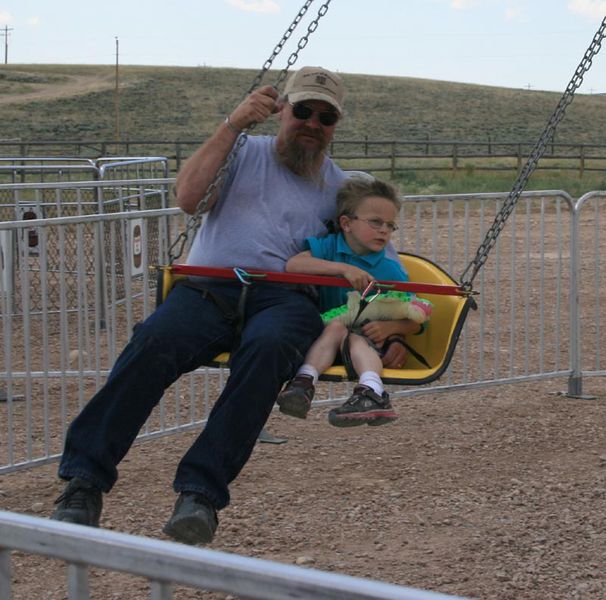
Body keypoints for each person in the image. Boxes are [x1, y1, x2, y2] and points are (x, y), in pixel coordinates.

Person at [50, 66, 408, 546]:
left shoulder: (341, 189)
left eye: (326, 117)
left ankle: (200, 494)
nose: (313, 124)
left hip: (286, 298)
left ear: (335, 126)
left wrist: (393, 327)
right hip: (211, 287)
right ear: (282, 110)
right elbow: (187, 197)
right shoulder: (242, 152)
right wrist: (232, 124)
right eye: (303, 110)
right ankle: (84, 484)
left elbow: (375, 258)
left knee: (269, 352)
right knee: (153, 342)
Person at [277, 177, 429, 427]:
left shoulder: (390, 271)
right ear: (346, 223)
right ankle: (303, 384)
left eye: (390, 226)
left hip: (369, 343)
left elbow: (415, 317)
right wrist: (342, 269)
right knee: (336, 327)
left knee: (355, 336)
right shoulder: (329, 248)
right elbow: (294, 265)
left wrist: (391, 329)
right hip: (325, 339)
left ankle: (372, 391)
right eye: (376, 222)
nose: (384, 230)